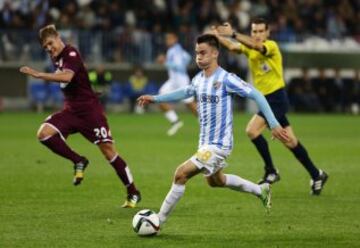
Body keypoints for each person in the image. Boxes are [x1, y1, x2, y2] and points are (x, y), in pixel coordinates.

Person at [137, 34, 289, 227]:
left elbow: (257, 95)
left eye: (203, 53)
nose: (198, 57)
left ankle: (158, 220)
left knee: (181, 174)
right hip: (205, 143)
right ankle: (261, 190)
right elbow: (185, 92)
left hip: (219, 144)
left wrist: (273, 123)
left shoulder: (227, 79)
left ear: (215, 53)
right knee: (216, 181)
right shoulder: (199, 79)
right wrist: (156, 98)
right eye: (196, 53)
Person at [19, 24, 141, 208]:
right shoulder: (56, 58)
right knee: (44, 134)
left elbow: (67, 77)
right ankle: (79, 160)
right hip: (71, 111)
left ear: (58, 37)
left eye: (50, 43)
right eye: (45, 47)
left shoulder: (71, 53)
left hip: (90, 112)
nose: (49, 48)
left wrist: (38, 74)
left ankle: (133, 192)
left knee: (109, 152)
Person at [212, 18, 328, 195]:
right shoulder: (249, 48)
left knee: (252, 130)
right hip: (266, 100)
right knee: (290, 141)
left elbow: (257, 47)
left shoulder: (271, 46)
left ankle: (271, 171)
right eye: (254, 31)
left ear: (267, 33)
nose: (257, 35)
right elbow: (234, 47)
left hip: (276, 98)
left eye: (260, 31)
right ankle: (317, 174)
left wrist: (234, 34)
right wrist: (218, 36)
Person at [156, 31, 197, 136]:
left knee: (189, 104)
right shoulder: (177, 50)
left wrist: (164, 62)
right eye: (167, 39)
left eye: (169, 38)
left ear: (175, 39)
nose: (167, 41)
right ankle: (176, 122)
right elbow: (187, 57)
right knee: (159, 99)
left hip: (181, 80)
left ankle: (207, 122)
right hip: (173, 80)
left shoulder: (174, 51)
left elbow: (179, 67)